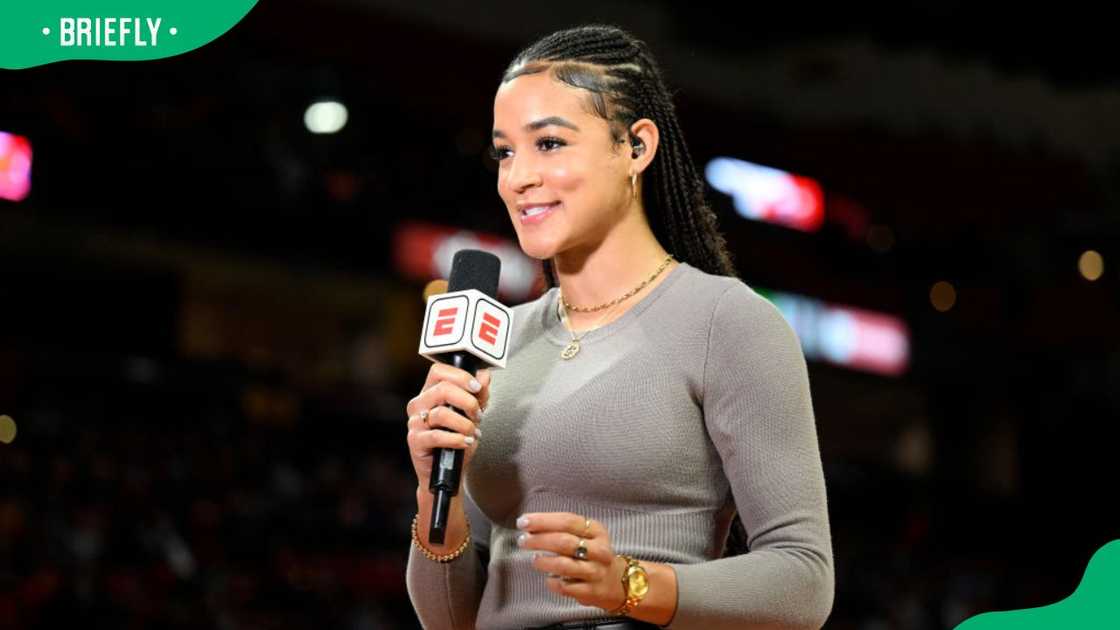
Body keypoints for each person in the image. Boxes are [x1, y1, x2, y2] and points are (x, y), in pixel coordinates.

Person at [404, 24, 834, 630]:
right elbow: (449, 619)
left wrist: (628, 583)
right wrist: (431, 495)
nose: (518, 176)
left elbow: (803, 580)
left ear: (636, 146)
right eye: (505, 151)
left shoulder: (727, 321)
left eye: (549, 143)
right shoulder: (497, 337)